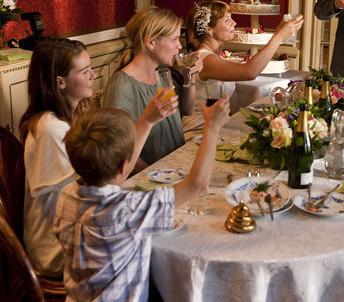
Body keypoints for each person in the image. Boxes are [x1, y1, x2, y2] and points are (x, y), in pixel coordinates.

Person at [19, 38, 177, 277]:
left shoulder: (70, 115)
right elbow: (110, 181)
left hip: (77, 228)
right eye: (84, 71)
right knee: (148, 250)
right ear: (60, 82)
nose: (94, 75)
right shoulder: (51, 129)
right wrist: (146, 121)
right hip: (57, 249)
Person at [53, 102, 229, 301]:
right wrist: (212, 127)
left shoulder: (65, 197)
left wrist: (147, 121)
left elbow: (120, 169)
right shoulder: (128, 209)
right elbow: (196, 185)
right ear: (123, 167)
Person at [104, 6, 202, 171]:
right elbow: (116, 147)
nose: (179, 46)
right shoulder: (122, 85)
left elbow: (188, 109)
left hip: (174, 169)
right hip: (147, 179)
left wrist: (189, 75)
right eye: (174, 40)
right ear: (151, 43)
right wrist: (153, 173)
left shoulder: (162, 74)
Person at [186, 0, 303, 83]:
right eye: (227, 20)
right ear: (209, 29)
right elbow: (249, 72)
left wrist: (278, 32)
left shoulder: (213, 55)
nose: (234, 23)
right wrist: (279, 36)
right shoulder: (204, 59)